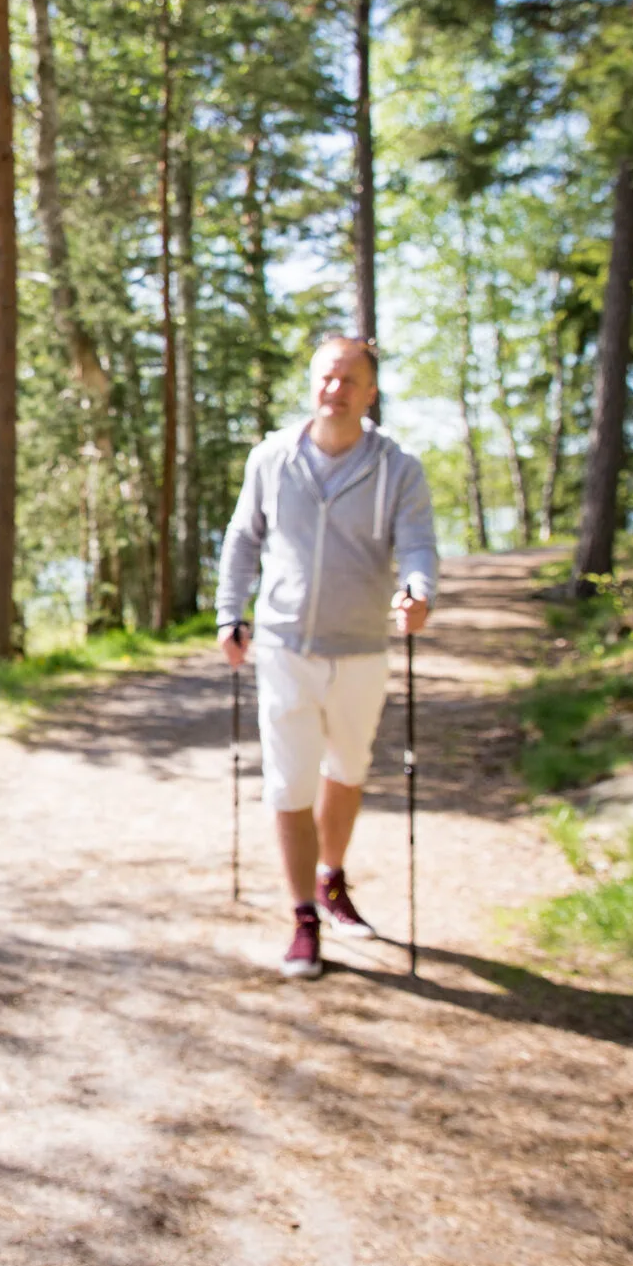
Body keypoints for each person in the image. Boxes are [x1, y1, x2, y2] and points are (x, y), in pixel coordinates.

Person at [214, 337, 437, 980]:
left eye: (350, 380)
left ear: (370, 392)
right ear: (312, 383)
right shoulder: (273, 457)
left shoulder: (399, 467)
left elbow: (418, 545)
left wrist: (419, 591)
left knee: (347, 769)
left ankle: (331, 875)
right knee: (288, 782)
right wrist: (231, 613)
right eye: (326, 378)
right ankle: (304, 917)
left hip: (363, 647)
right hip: (284, 646)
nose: (335, 390)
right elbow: (242, 540)